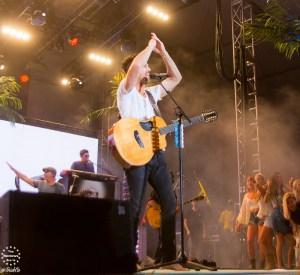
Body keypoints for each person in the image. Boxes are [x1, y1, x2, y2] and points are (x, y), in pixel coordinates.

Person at [116, 32, 182, 263]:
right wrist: (150, 45)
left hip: (155, 156)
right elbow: (135, 66)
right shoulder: (125, 91)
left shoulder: (152, 95)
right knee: (136, 205)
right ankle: (128, 256)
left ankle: (168, 257)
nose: (147, 70)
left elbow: (176, 77)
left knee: (170, 202)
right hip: (135, 155)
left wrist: (163, 52)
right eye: (145, 67)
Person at [235, 176, 259, 269]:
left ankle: (264, 260)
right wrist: (238, 222)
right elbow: (243, 210)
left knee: (260, 242)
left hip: (261, 218)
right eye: (248, 181)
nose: (250, 183)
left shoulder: (259, 192)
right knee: (249, 241)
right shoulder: (246, 196)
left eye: (252, 181)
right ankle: (252, 263)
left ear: (255, 182)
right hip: (252, 219)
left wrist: (257, 209)